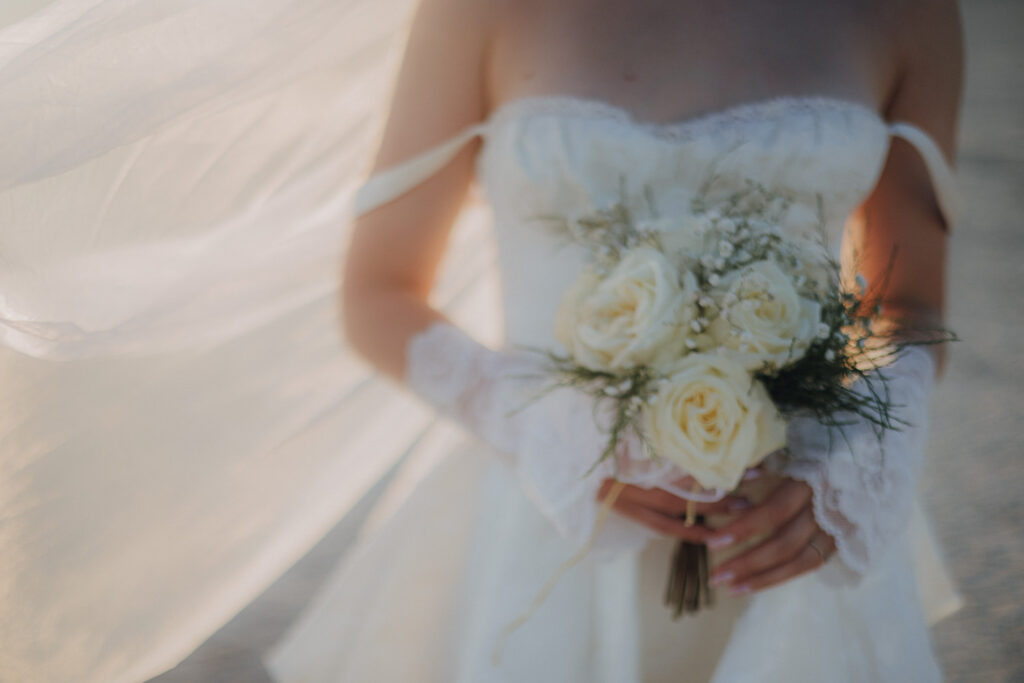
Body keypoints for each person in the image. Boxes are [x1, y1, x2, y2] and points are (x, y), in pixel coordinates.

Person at [0, 1, 964, 681]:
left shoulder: (906, 9)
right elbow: (378, 293)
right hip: (545, 535)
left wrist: (855, 464)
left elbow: (910, 298)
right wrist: (555, 432)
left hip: (793, 530)